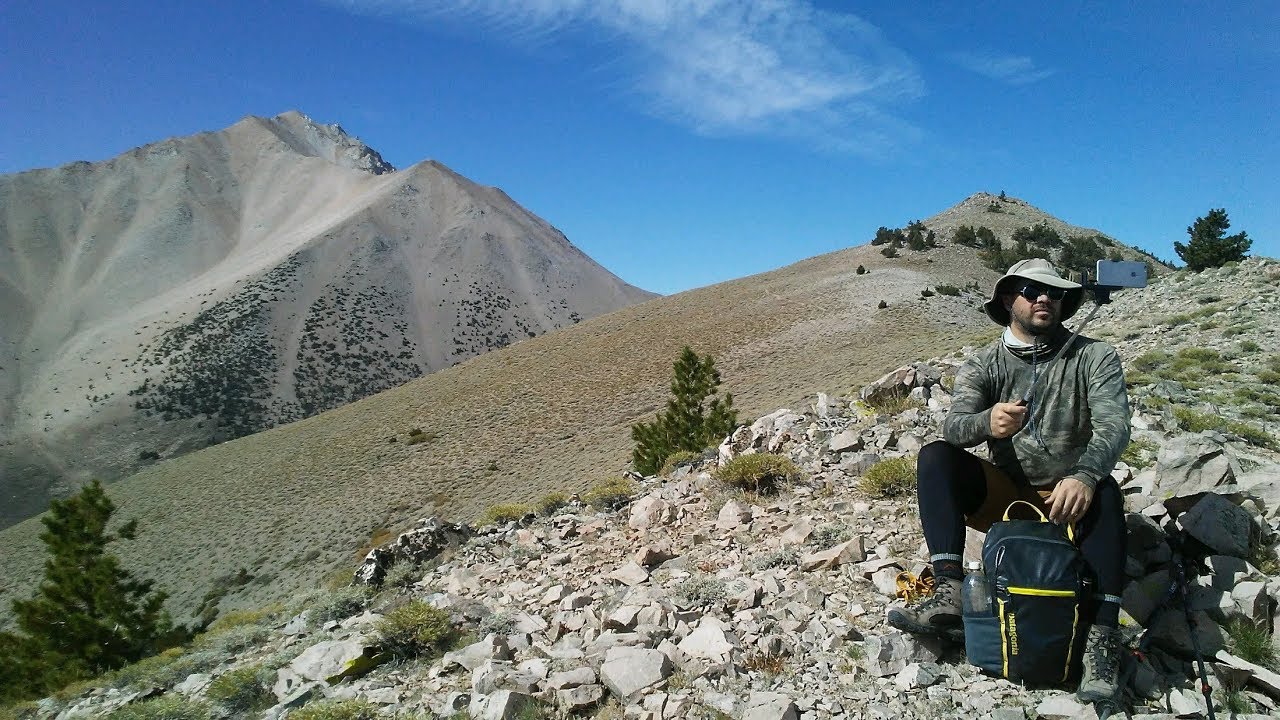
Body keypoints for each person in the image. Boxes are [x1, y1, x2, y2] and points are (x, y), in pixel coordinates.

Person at [887, 258, 1130, 702]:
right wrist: (988, 422)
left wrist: (1085, 475)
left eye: (1054, 292)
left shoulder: (1094, 356)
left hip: (1068, 499)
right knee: (936, 458)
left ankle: (1102, 637)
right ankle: (949, 590)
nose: (1044, 299)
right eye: (1031, 290)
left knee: (1107, 490)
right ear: (1006, 299)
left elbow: (1115, 426)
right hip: (1007, 499)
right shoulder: (984, 363)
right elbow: (954, 427)